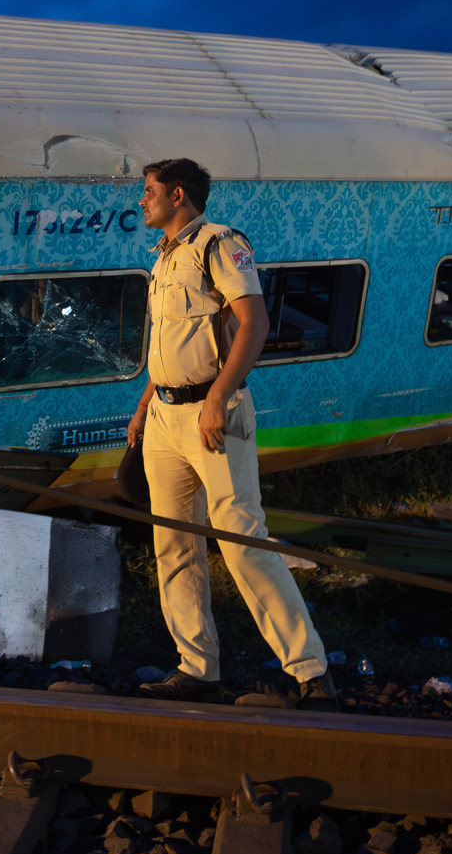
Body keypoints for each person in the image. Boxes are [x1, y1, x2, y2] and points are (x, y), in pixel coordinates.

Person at [125, 158, 337, 710]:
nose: (141, 201)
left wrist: (217, 397)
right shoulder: (165, 257)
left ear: (176, 194)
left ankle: (312, 672)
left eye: (148, 192)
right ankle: (196, 667)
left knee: (243, 542)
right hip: (166, 417)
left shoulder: (218, 243)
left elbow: (256, 323)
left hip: (210, 415)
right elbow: (173, 342)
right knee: (173, 544)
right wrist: (146, 402)